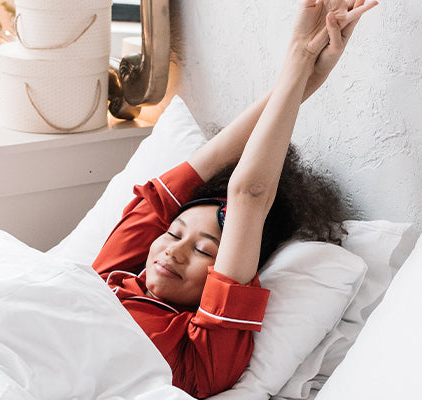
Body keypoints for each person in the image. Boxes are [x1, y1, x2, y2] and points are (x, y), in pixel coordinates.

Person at [91, 0, 378, 397]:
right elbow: (199, 168)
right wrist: (301, 77)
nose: (174, 252)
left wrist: (300, 56)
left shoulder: (199, 356)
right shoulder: (111, 274)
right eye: (174, 233)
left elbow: (249, 194)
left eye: (206, 252)